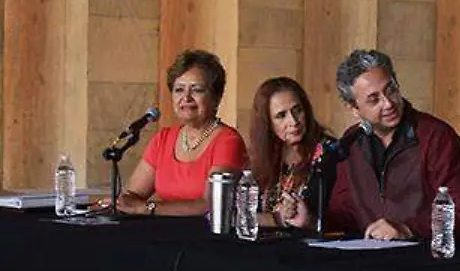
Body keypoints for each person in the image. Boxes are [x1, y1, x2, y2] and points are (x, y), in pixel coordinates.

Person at [322, 49, 460, 240]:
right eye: (374, 99)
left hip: (427, 259)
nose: (388, 103)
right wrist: (311, 220)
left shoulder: (435, 136)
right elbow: (344, 213)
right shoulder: (352, 141)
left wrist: (408, 230)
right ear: (354, 109)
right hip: (371, 258)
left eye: (391, 90)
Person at [107, 49, 248, 217]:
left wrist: (146, 208)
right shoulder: (163, 139)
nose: (186, 98)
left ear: (216, 97)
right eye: (179, 90)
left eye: (197, 90)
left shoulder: (228, 141)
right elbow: (133, 196)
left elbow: (210, 205)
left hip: (208, 238)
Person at [247, 76, 334, 228]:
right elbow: (242, 217)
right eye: (281, 116)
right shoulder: (262, 158)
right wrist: (278, 218)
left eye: (298, 110)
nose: (294, 121)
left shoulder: (330, 153)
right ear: (267, 123)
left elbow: (341, 220)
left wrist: (308, 221)